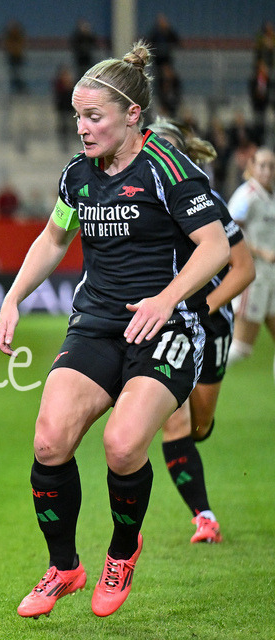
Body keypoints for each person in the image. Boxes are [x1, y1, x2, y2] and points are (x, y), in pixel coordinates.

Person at [0, 42, 230, 620]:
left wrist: (167, 299)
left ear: (132, 115)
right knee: (49, 440)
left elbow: (216, 247)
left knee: (123, 446)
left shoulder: (170, 170)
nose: (81, 127)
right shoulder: (78, 175)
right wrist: (13, 296)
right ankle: (64, 567)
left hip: (168, 326)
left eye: (93, 116)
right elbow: (54, 238)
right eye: (77, 116)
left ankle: (122, 553)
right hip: (97, 324)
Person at [149, 118, 255, 545]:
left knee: (198, 427)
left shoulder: (206, 200)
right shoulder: (135, 200)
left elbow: (243, 269)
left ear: (182, 156)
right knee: (173, 420)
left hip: (210, 322)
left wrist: (201, 308)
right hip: (162, 324)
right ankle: (204, 517)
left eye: (167, 150)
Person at [226, 147, 275, 369]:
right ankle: (201, 375)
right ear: (252, 167)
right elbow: (229, 231)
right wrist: (260, 251)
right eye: (262, 165)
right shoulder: (246, 196)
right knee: (241, 348)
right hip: (253, 277)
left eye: (271, 166)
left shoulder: (271, 195)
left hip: (271, 277)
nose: (267, 171)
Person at [3, 20, 27, 94]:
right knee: (12, 75)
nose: (13, 29)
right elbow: (7, 46)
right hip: (11, 58)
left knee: (18, 74)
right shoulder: (8, 37)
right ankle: (17, 90)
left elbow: (21, 46)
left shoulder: (19, 36)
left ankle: (21, 90)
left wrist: (15, 49)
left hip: (18, 58)